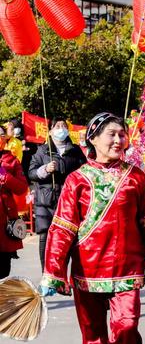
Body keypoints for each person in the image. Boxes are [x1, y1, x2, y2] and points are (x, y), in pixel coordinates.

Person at [39, 112, 145, 344]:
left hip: (127, 270)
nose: (118, 140)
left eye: (122, 134)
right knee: (93, 337)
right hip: (88, 271)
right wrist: (52, 271)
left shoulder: (137, 177)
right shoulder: (77, 180)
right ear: (93, 139)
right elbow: (63, 228)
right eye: (111, 134)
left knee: (125, 331)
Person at [28, 117, 86, 271]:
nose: (61, 129)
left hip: (68, 199)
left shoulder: (75, 151)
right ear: (51, 130)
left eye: (64, 126)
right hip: (45, 201)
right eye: (57, 126)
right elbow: (31, 173)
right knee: (45, 236)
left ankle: (60, 274)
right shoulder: (42, 151)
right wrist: (45, 169)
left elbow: (86, 171)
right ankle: (46, 272)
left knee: (67, 236)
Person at [0, 124, 28, 278]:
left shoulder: (11, 160)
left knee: (3, 271)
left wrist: (4, 175)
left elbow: (21, 188)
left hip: (4, 222)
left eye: (1, 134)